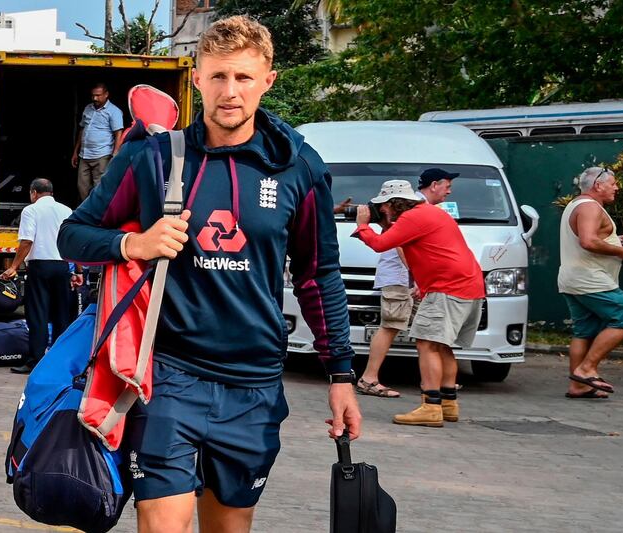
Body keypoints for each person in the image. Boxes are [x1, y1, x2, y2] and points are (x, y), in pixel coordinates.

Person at [58, 16, 361, 533]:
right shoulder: (152, 157)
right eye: (217, 77)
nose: (229, 91)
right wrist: (134, 243)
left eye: (243, 78)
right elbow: (74, 234)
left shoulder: (298, 167)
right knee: (163, 524)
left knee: (229, 526)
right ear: (196, 79)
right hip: (169, 377)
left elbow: (318, 275)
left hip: (256, 384)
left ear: (268, 80)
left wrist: (340, 374)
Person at [355, 180, 484, 427]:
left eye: (383, 207)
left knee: (427, 343)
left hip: (447, 286)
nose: (382, 211)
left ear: (391, 205)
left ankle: (431, 407)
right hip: (468, 284)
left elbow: (381, 245)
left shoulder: (411, 218)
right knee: (442, 346)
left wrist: (363, 226)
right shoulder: (431, 213)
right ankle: (448, 403)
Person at [558, 167, 623, 398]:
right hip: (589, 279)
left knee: (584, 330)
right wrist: (620, 251)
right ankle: (586, 369)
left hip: (573, 278)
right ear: (598, 185)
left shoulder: (576, 205)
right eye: (612, 183)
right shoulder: (589, 207)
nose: (616, 187)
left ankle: (578, 386)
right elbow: (588, 241)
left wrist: (615, 240)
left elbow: (589, 237)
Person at [3, 178, 79, 374]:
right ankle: (59, 362)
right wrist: (78, 271)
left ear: (33, 193)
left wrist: (14, 266)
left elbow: (27, 241)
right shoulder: (67, 210)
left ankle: (36, 360)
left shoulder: (31, 210)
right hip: (62, 267)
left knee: (38, 315)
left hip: (39, 267)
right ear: (51, 192)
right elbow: (73, 241)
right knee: (62, 315)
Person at [355, 245, 412, 398]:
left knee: (425, 331)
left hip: (408, 278)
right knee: (390, 327)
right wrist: (416, 274)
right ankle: (368, 379)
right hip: (401, 279)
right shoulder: (401, 220)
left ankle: (437, 381)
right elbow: (401, 243)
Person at [72, 83, 125, 200]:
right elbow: (82, 130)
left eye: (98, 95)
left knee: (99, 187)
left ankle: (97, 215)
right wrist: (75, 152)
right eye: (93, 95)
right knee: (82, 187)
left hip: (102, 155)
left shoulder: (114, 111)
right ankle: (85, 213)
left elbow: (118, 133)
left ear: (106, 94)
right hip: (84, 155)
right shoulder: (88, 108)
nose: (95, 98)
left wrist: (115, 153)